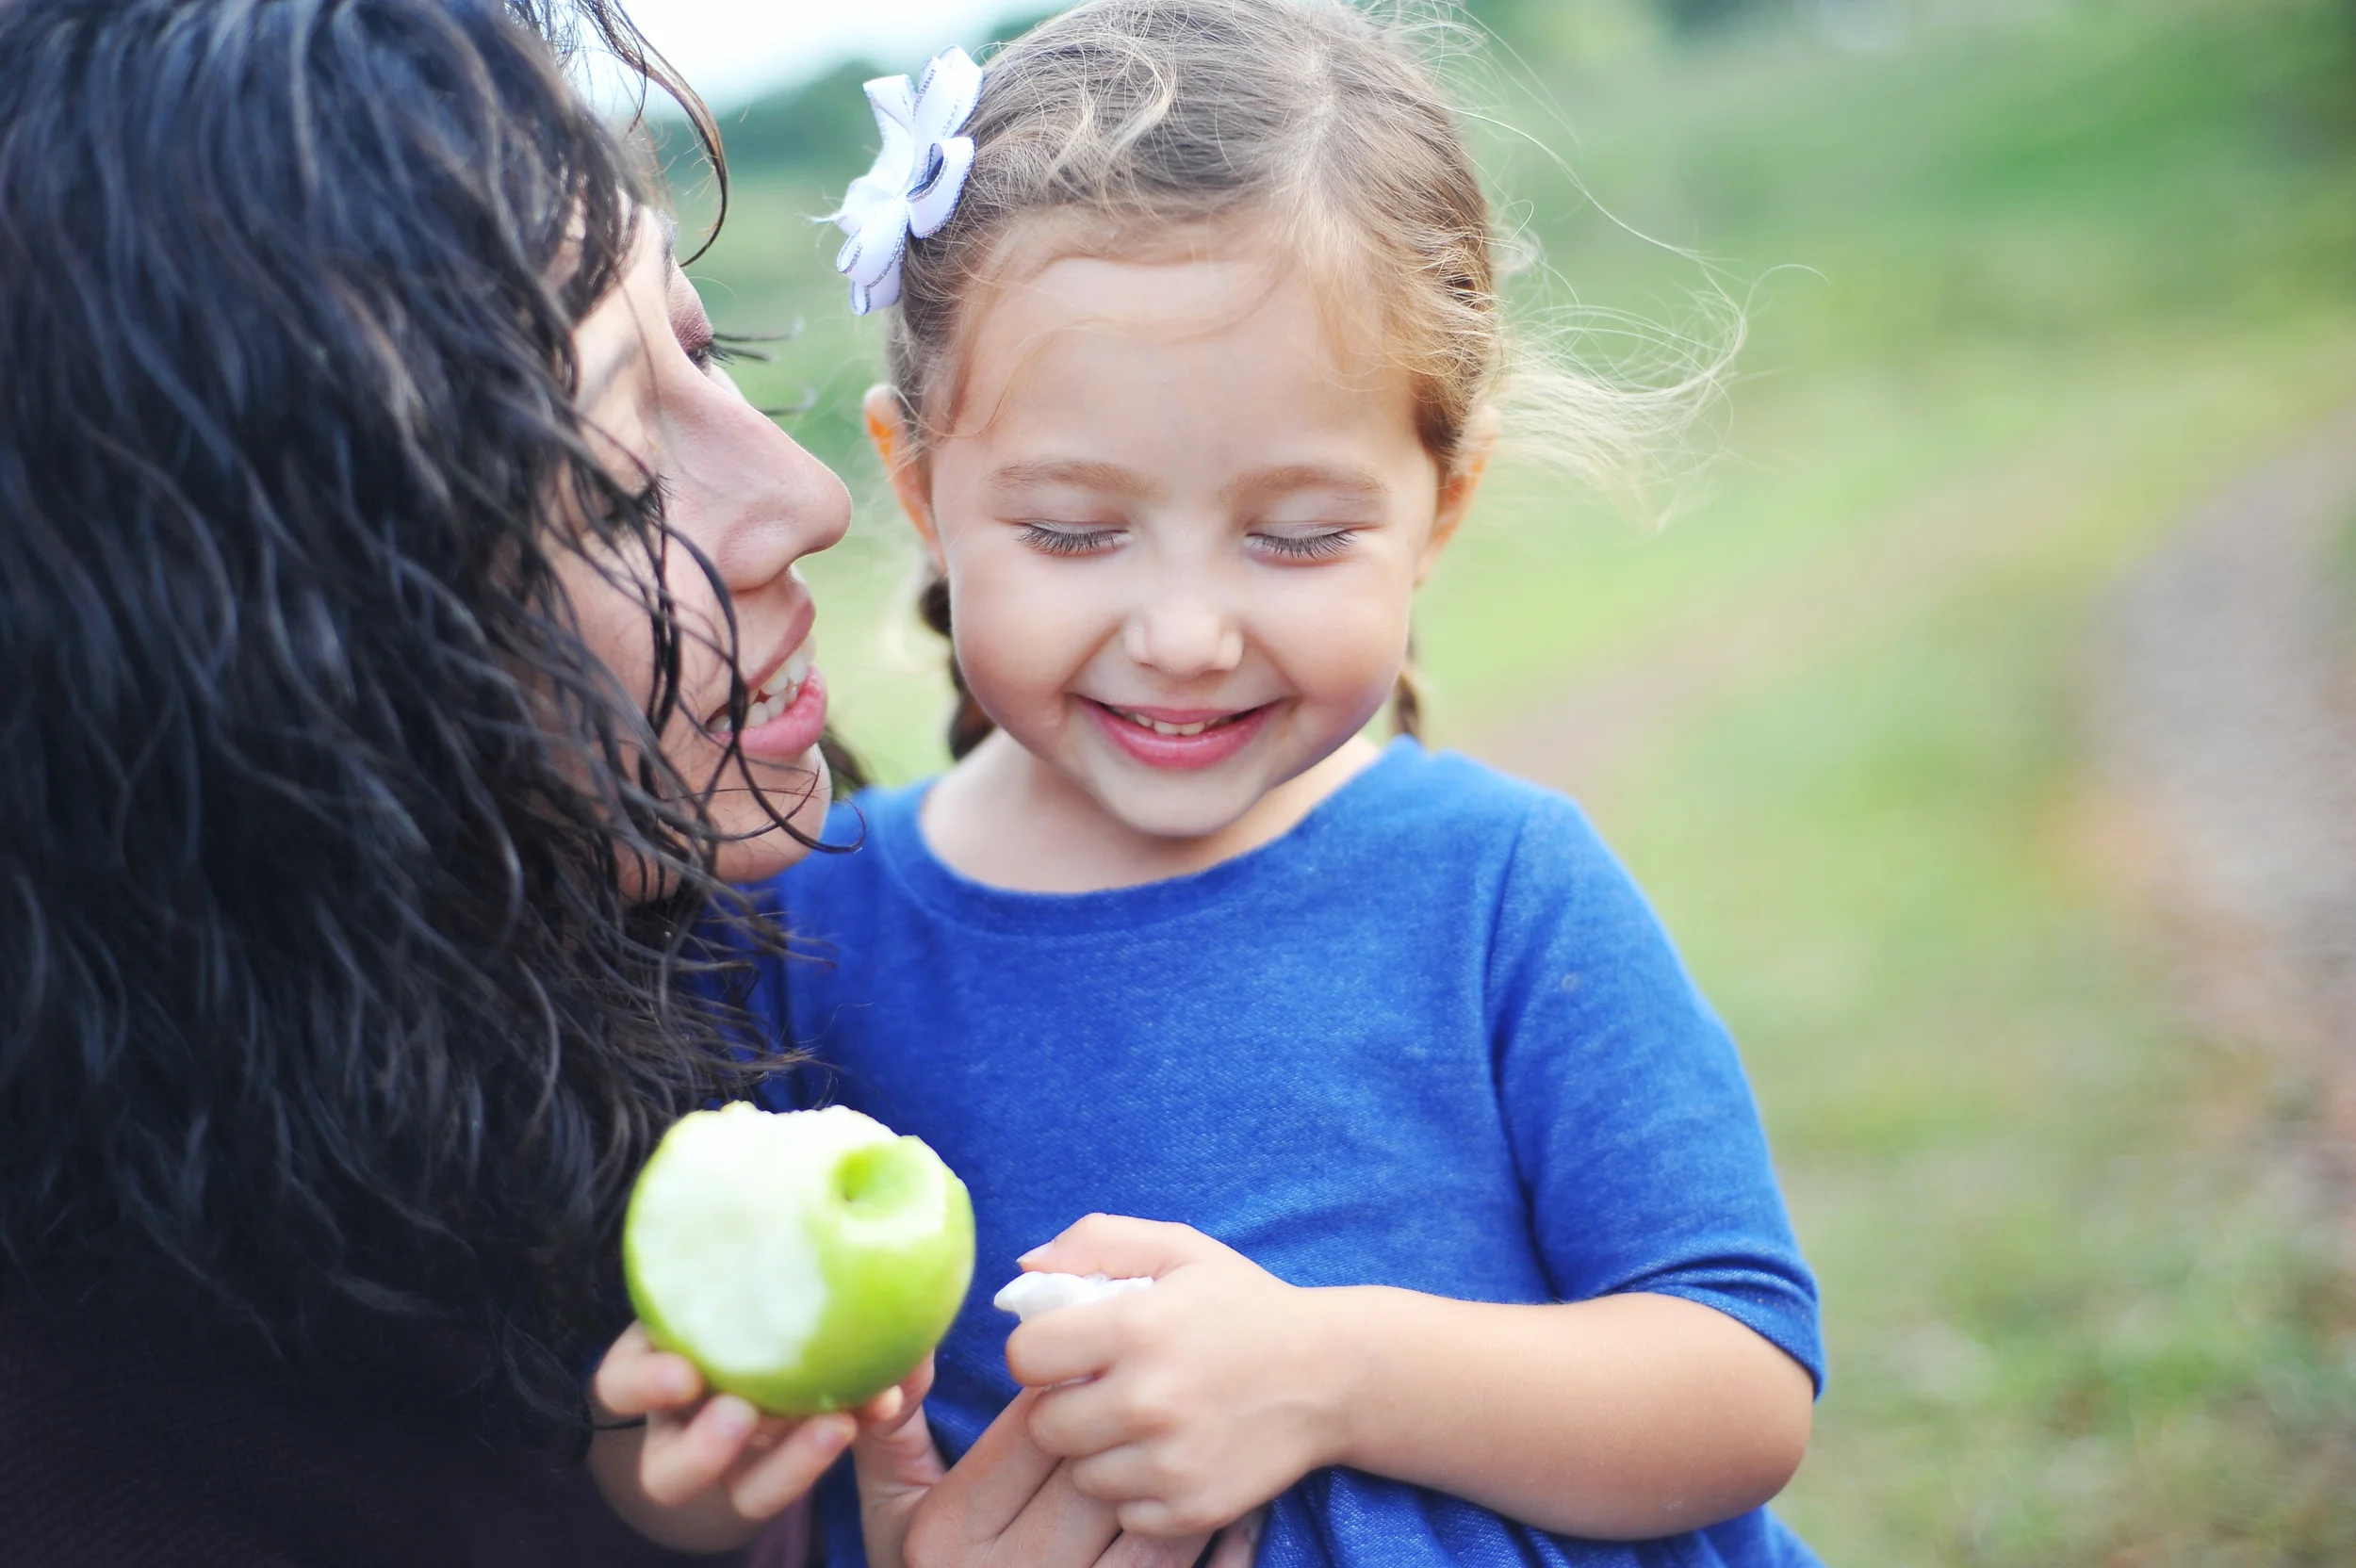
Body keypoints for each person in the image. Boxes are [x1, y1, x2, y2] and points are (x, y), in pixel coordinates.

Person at [0, 2, 1238, 1563]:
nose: (804, 501)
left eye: (705, 344)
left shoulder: (773, 1014)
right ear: (239, 654)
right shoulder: (83, 1464)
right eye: (610, 474)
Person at [754, 2, 1825, 1564]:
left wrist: (1334, 1377)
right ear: (919, 488)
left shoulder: (1497, 885)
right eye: (1070, 530)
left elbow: (1740, 1394)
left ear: (1439, 506)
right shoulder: (809, 930)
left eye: (1300, 536)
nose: (1185, 636)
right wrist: (662, 1475)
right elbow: (687, 1413)